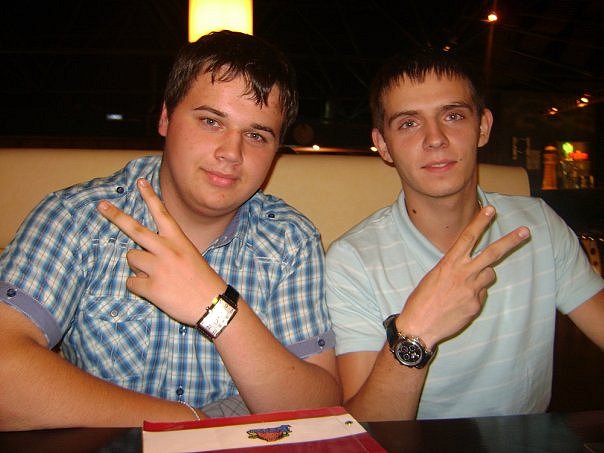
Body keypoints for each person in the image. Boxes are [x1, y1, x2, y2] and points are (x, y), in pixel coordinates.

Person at [0, 30, 340, 431]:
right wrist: (188, 423)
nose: (231, 153)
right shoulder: (78, 218)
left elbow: (318, 410)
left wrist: (216, 307)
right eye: (211, 121)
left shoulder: (290, 240)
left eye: (256, 135)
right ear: (165, 117)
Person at [325, 49, 604, 421]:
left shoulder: (538, 225)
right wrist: (416, 332)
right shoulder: (352, 260)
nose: (435, 138)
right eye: (408, 123)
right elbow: (366, 429)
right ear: (384, 145)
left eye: (453, 116)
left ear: (483, 127)